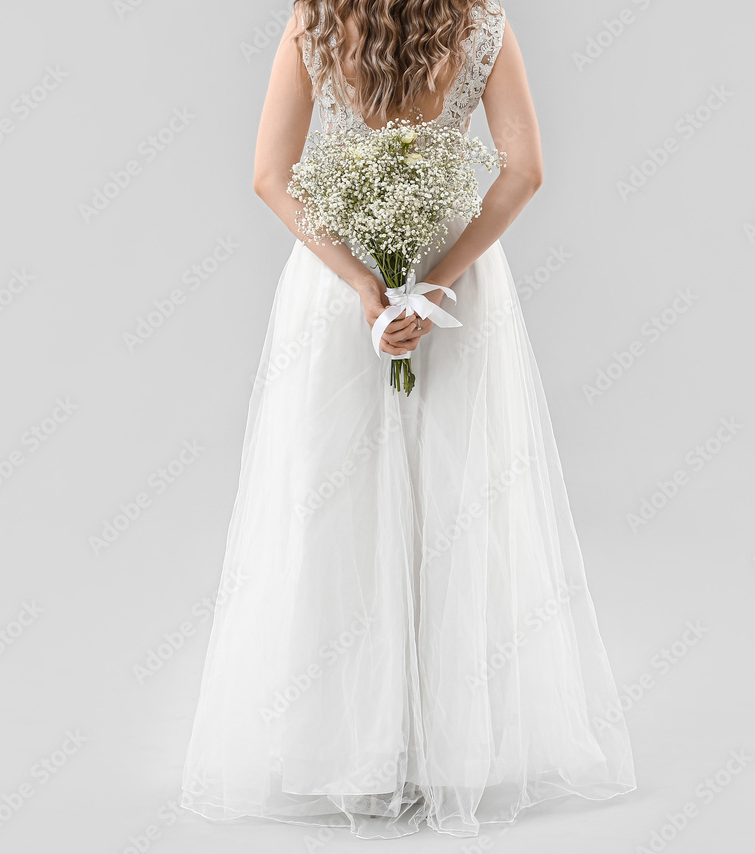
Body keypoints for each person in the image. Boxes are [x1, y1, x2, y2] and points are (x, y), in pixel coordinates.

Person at [180, 0, 636, 839]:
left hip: (334, 289)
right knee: (456, 503)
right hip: (455, 290)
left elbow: (271, 176)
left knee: (333, 505)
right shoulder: (480, 24)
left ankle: (348, 744)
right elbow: (525, 171)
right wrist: (437, 283)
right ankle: (445, 746)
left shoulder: (315, 20)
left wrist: (362, 282)